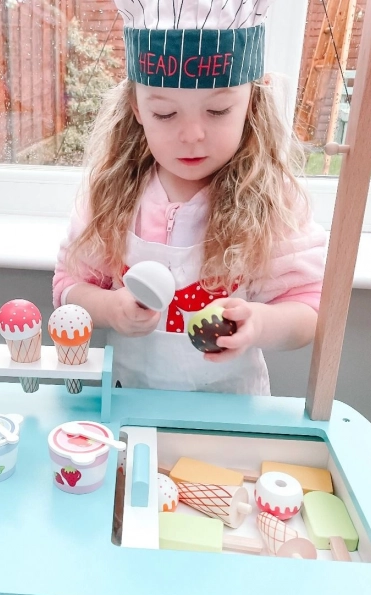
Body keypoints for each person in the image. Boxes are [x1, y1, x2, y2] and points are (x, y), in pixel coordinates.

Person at [53, 0, 326, 395]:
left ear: (251, 101)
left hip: (228, 413)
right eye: (165, 113)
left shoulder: (273, 200)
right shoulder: (111, 195)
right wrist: (109, 309)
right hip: (129, 403)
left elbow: (309, 308)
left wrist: (259, 324)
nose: (192, 135)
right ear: (137, 108)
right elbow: (68, 286)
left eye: (218, 110)